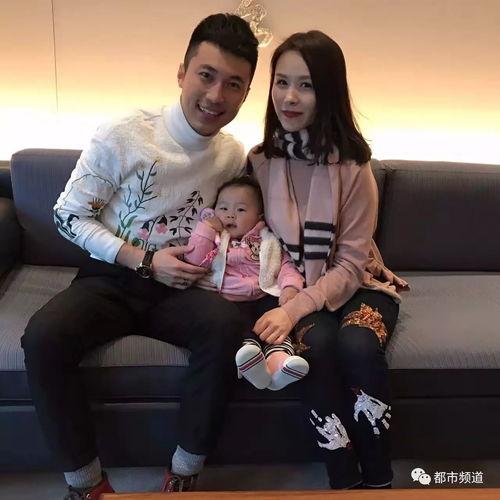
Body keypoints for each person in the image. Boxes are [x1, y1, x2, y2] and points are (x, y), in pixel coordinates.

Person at [21, 13, 258, 499]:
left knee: (226, 326)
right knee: (43, 338)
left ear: (245, 93)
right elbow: (67, 215)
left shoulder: (233, 156)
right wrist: (143, 260)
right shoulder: (125, 133)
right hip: (112, 277)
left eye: (233, 84)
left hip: (183, 289)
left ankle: (184, 473)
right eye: (206, 75)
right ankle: (86, 485)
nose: (216, 95)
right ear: (182, 73)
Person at [248, 31, 409, 489]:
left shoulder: (354, 166)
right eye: (281, 82)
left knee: (357, 345)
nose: (289, 97)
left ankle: (379, 480)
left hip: (359, 283)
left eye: (307, 85)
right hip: (296, 284)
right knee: (315, 348)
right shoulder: (260, 160)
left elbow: (352, 264)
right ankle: (344, 480)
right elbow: (261, 238)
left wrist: (292, 310)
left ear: (329, 92)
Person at [184, 177, 309, 391]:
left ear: (259, 216)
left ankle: (279, 362)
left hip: (264, 294)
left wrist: (290, 287)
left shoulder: (269, 240)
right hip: (227, 299)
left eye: (240, 210)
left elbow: (286, 265)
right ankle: (251, 361)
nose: (230, 214)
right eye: (223, 208)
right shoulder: (215, 238)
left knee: (274, 322)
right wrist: (206, 229)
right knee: (234, 322)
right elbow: (195, 260)